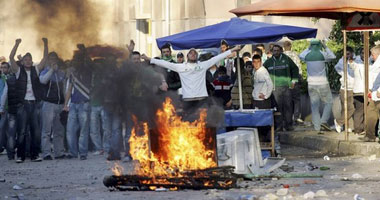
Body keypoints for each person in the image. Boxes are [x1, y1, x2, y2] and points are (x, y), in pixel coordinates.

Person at [142, 45, 241, 111]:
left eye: (195, 54)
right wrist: (149, 59)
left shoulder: (203, 65)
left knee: (204, 125)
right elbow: (164, 63)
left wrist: (233, 50)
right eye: (191, 53)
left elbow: (218, 57)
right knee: (189, 126)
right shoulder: (181, 66)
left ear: (197, 56)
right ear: (187, 56)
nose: (193, 55)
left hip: (202, 100)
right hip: (187, 101)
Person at [9, 38, 48, 163]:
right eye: (25, 59)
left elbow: (45, 59)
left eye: (30, 59)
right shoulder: (18, 71)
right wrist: (16, 44)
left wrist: (46, 44)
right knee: (21, 131)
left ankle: (35, 155)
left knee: (35, 131)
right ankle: (20, 155)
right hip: (23, 104)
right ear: (22, 61)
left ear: (32, 61)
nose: (28, 61)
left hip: (34, 104)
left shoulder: (35, 70)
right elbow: (10, 57)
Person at [299, 39, 336, 134]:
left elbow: (300, 55)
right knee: (329, 102)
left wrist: (308, 48)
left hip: (311, 83)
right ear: (320, 45)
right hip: (323, 83)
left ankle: (317, 127)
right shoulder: (322, 54)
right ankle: (323, 121)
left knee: (314, 106)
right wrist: (325, 47)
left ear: (311, 46)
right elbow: (333, 56)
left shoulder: (307, 55)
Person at [63, 45, 93, 160]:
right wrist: (66, 104)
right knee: (70, 130)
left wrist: (84, 51)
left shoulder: (88, 71)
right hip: (74, 104)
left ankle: (83, 153)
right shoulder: (73, 74)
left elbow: (89, 63)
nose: (75, 62)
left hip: (84, 103)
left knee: (83, 130)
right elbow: (69, 89)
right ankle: (73, 152)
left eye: (77, 60)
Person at [263, 44, 299, 132]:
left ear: (281, 51)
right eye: (274, 51)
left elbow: (295, 69)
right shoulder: (269, 62)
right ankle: (279, 126)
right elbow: (263, 72)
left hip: (287, 87)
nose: (276, 52)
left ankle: (288, 125)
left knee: (288, 106)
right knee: (277, 108)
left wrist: (293, 81)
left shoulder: (286, 59)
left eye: (277, 50)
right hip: (274, 88)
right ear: (272, 52)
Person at [39, 52, 67, 160]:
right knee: (46, 130)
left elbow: (64, 88)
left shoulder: (61, 73)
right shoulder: (45, 71)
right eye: (51, 58)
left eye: (55, 58)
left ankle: (59, 152)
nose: (53, 60)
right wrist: (51, 70)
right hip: (48, 104)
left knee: (59, 130)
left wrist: (65, 104)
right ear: (48, 60)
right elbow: (43, 81)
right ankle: (46, 153)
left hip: (60, 104)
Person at [334, 47, 356, 133]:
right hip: (344, 88)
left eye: (348, 54)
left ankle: (339, 122)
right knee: (345, 108)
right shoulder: (341, 60)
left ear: (352, 53)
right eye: (345, 54)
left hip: (353, 88)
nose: (346, 55)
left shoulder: (356, 60)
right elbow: (337, 68)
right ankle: (345, 125)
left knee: (351, 108)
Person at [362, 45, 380, 142]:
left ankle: (370, 135)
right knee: (371, 113)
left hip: (378, 93)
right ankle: (370, 135)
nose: (372, 57)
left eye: (373, 55)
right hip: (374, 93)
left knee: (372, 113)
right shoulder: (375, 63)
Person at [283, 41, 303, 124]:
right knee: (296, 99)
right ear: (291, 46)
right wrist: (300, 79)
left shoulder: (282, 56)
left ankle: (288, 118)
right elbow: (299, 68)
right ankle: (296, 116)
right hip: (295, 80)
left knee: (287, 99)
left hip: (285, 80)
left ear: (284, 47)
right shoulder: (295, 55)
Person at [0, 62, 8, 154]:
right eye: (2, 67)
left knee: (3, 128)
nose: (3, 69)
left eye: (5, 67)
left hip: (5, 107)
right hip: (2, 106)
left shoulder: (6, 78)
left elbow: (4, 94)